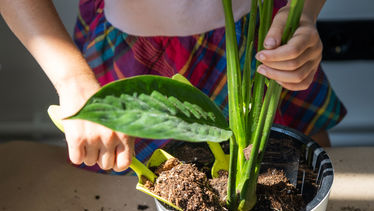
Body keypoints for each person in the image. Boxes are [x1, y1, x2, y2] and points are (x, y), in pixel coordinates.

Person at [0, 0, 346, 173]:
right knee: (124, 188)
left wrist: (303, 14)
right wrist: (75, 82)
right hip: (128, 57)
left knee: (299, 169)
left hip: (256, 43)